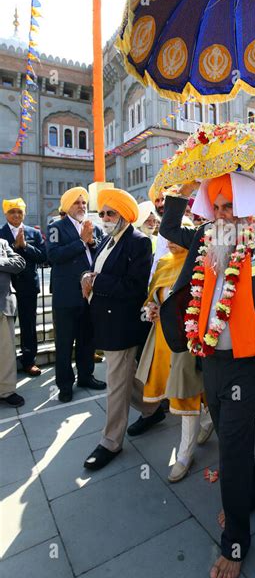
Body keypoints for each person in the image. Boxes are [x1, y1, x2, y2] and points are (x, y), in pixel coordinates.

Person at [159, 157, 255, 578]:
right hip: (210, 359)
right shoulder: (203, 238)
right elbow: (168, 227)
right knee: (227, 437)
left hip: (245, 363)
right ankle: (250, 496)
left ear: (243, 211)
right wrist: (183, 186)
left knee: (233, 449)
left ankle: (235, 543)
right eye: (216, 207)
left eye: (230, 208)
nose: (223, 215)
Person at [81, 189, 154, 470]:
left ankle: (110, 442)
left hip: (122, 324)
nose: (104, 218)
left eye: (110, 213)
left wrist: (96, 281)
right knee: (124, 379)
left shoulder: (138, 242)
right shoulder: (108, 241)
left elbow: (135, 288)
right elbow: (96, 273)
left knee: (115, 385)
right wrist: (86, 277)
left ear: (124, 215)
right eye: (101, 213)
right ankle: (152, 408)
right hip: (104, 321)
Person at [134, 238, 213, 481]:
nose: (171, 243)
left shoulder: (201, 264)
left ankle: (185, 454)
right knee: (183, 390)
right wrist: (152, 311)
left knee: (185, 394)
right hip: (162, 341)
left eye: (178, 238)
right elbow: (151, 300)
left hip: (186, 340)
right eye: (168, 238)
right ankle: (208, 419)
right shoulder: (164, 264)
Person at [46, 187, 106, 402]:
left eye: (84, 203)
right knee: (64, 342)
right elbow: (53, 256)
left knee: (87, 340)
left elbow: (100, 254)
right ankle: (64, 384)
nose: (81, 206)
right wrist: (81, 242)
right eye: (76, 203)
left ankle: (86, 376)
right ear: (67, 206)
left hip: (89, 295)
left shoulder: (94, 228)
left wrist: (92, 242)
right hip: (66, 295)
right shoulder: (56, 227)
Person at [0, 198, 47, 375]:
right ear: (6, 214)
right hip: (5, 289)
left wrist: (25, 246)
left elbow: (43, 257)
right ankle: (6, 362)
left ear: (24, 213)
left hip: (28, 287)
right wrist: (14, 246)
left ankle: (29, 361)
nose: (16, 215)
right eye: (12, 212)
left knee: (28, 325)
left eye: (20, 212)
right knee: (6, 327)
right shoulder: (0, 233)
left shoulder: (33, 233)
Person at [0, 238, 26, 406]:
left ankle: (6, 391)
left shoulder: (2, 243)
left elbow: (20, 262)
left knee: (6, 352)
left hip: (3, 304)